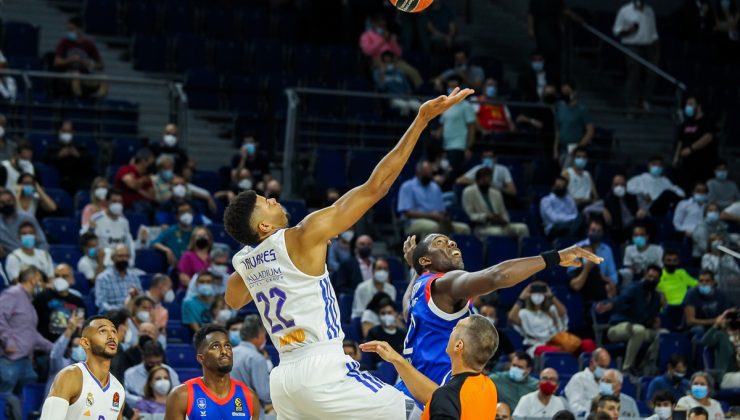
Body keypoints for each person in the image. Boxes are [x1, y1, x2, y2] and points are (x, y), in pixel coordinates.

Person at [221, 89, 477, 419]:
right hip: (322, 368)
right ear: (265, 229)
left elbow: (233, 300)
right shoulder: (302, 235)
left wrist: (254, 261)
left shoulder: (244, 263)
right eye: (264, 204)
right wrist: (421, 120)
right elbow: (376, 187)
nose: (272, 199)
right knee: (418, 409)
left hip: (284, 381)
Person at [397, 229, 600, 413]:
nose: (451, 244)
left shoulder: (419, 289)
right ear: (425, 260)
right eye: (440, 243)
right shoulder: (447, 283)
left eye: (451, 242)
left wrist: (416, 271)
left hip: (406, 394)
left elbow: (406, 308)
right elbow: (498, 276)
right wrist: (556, 256)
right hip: (434, 401)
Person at [359, 314, 498, 419]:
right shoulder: (490, 387)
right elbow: (444, 398)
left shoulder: (448, 395)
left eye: (456, 327)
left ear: (458, 345)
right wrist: (397, 359)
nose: (452, 329)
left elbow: (444, 398)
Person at [165, 324, 260, 419]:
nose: (224, 351)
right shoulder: (181, 396)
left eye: (227, 346)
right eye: (215, 347)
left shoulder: (249, 396)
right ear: (201, 358)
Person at [40, 316, 125, 420]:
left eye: (113, 331)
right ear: (85, 343)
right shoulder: (70, 376)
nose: (111, 336)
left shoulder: (119, 389)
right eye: (102, 331)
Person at [596, 265, 661, 375]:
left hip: (637, 330)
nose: (651, 280)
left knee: (659, 335)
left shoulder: (656, 296)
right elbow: (619, 300)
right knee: (639, 330)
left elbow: (649, 317)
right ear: (645, 275)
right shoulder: (634, 288)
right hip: (617, 328)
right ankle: (626, 368)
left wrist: (654, 322)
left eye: (654, 278)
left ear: (658, 280)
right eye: (649, 276)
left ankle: (644, 367)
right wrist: (608, 306)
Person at [0, 267, 53, 393]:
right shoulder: (13, 293)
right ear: (33, 279)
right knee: (5, 402)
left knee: (22, 403)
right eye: (40, 280)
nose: (43, 285)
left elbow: (30, 333)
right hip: (10, 360)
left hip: (26, 361)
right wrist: (8, 341)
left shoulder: (28, 301)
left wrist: (53, 348)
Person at [397, 159, 471, 238]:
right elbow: (407, 213)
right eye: (426, 173)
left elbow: (441, 210)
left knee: (464, 228)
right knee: (433, 227)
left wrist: (444, 217)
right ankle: (425, 250)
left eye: (430, 173)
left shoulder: (435, 187)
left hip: (437, 221)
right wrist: (431, 216)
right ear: (418, 173)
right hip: (413, 222)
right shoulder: (408, 186)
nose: (429, 175)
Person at [613, 0, 659, 110]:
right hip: (632, 46)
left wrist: (657, 48)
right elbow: (616, 30)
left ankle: (644, 100)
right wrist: (628, 30)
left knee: (652, 74)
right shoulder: (625, 10)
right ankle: (630, 104)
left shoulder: (649, 11)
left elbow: (653, 32)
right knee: (634, 74)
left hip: (649, 46)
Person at [462, 167, 529, 240]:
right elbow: (470, 215)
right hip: (483, 227)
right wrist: (487, 217)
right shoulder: (469, 192)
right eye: (484, 178)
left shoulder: (496, 193)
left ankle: (522, 251)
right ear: (478, 180)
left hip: (500, 224)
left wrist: (504, 220)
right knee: (498, 232)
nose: (487, 180)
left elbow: (503, 212)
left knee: (522, 228)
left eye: (488, 178)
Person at [508, 282, 574, 356]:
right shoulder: (524, 313)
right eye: (534, 291)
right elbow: (511, 317)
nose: (537, 295)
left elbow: (563, 312)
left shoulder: (551, 310)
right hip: (538, 346)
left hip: (558, 342)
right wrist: (521, 298)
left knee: (586, 344)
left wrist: (551, 296)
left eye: (541, 291)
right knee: (555, 350)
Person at [53, 17, 108, 98]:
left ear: (79, 29)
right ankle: (79, 101)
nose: (69, 32)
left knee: (104, 78)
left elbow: (101, 65)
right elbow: (57, 62)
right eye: (68, 29)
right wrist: (71, 59)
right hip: (68, 74)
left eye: (72, 29)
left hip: (85, 75)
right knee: (76, 75)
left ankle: (97, 102)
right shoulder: (64, 42)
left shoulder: (89, 44)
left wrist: (90, 63)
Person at [232, 315, 274, 418]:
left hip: (228, 408)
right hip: (250, 411)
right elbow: (264, 393)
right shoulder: (256, 358)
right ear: (259, 335)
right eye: (264, 335)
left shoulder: (229, 353)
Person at [436, 76, 477, 181]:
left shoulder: (466, 106)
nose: (451, 88)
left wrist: (469, 147)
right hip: (445, 146)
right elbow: (442, 126)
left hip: (458, 146)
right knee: (443, 174)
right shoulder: (445, 105)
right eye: (449, 86)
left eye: (454, 86)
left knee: (452, 175)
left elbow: (471, 127)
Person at [673, 96, 718, 187]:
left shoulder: (707, 121)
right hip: (687, 165)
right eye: (687, 104)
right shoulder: (686, 123)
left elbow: (708, 137)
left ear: (698, 106)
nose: (687, 107)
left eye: (690, 104)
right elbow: (680, 140)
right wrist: (676, 157)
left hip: (703, 164)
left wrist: (691, 149)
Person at [43, 120, 95, 194]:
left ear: (73, 133)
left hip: (77, 181)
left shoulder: (80, 147)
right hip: (58, 179)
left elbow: (90, 161)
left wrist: (78, 155)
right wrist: (58, 155)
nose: (66, 134)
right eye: (64, 131)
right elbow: (45, 159)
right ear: (59, 132)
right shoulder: (52, 147)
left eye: (69, 131)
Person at [33, 271, 86, 342]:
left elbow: (80, 325)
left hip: (70, 344)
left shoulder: (78, 301)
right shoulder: (42, 297)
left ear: (72, 280)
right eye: (57, 276)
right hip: (46, 344)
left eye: (64, 276)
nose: (60, 279)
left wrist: (76, 339)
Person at [123, 340, 180, 405]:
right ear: (143, 357)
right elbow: (124, 394)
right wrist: (142, 401)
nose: (155, 366)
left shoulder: (169, 372)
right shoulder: (130, 374)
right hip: (139, 410)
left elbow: (177, 392)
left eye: (158, 363)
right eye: (151, 363)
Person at [89, 189, 135, 265]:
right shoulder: (96, 219)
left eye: (120, 202)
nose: (117, 204)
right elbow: (90, 248)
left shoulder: (124, 222)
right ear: (107, 202)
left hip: (121, 262)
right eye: (114, 201)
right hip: (102, 262)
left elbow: (128, 244)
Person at [564, 348, 612, 416]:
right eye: (601, 366)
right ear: (592, 363)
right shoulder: (578, 378)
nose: (604, 370)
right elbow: (574, 406)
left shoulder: (606, 382)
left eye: (606, 367)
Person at [95, 244, 142, 312]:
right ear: (112, 258)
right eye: (120, 256)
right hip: (114, 316)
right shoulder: (103, 278)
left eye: (126, 256)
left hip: (133, 314)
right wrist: (122, 310)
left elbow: (141, 299)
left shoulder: (134, 277)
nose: (124, 259)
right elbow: (101, 304)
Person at [603, 174, 648, 245]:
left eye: (622, 185)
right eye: (616, 185)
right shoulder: (608, 198)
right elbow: (589, 208)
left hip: (634, 223)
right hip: (619, 228)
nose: (619, 187)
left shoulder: (632, 196)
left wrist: (643, 210)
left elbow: (644, 206)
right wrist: (603, 210)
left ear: (626, 186)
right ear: (612, 186)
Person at [554, 83, 594, 164]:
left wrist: (578, 148)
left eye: (567, 91)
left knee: (565, 173)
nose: (565, 94)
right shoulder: (560, 108)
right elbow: (558, 130)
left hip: (575, 148)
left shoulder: (582, 110)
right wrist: (555, 149)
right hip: (562, 148)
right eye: (563, 92)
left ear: (574, 92)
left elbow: (590, 131)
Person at [0, 189, 49, 254]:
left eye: (9, 201)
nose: (6, 204)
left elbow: (42, 243)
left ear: (14, 202)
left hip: (35, 256)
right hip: (13, 260)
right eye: (2, 203)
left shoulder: (28, 217)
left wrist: (41, 257)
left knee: (63, 264)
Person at [374, 50, 421, 117]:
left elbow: (408, 88)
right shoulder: (377, 73)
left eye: (390, 62)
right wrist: (382, 74)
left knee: (419, 106)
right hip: (392, 99)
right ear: (382, 62)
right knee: (405, 106)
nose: (388, 64)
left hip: (405, 98)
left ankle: (419, 126)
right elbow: (381, 87)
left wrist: (407, 94)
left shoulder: (400, 73)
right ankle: (403, 124)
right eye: (386, 62)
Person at [701, 309, 740, 389]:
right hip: (726, 376)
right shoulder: (721, 336)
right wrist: (716, 324)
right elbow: (704, 341)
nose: (735, 321)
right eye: (731, 318)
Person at [684, 270, 729, 339]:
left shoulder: (721, 295)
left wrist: (719, 323)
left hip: (717, 325)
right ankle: (701, 349)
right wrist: (714, 321)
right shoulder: (691, 294)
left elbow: (726, 315)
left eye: (707, 281)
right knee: (699, 329)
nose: (704, 283)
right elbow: (690, 321)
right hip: (696, 328)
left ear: (713, 282)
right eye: (701, 281)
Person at [574, 219, 619, 285]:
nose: (596, 233)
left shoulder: (607, 249)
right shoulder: (578, 248)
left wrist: (607, 280)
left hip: (601, 285)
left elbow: (613, 276)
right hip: (583, 284)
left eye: (598, 231)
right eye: (593, 230)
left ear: (602, 232)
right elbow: (572, 273)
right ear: (588, 231)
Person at [152, 202, 195, 268]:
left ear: (192, 213)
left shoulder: (198, 231)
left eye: (188, 211)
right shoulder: (171, 231)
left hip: (194, 266)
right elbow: (154, 243)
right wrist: (167, 250)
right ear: (177, 216)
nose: (187, 214)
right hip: (177, 267)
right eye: (182, 212)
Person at [114, 148, 155, 212]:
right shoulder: (126, 169)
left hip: (145, 205)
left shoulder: (146, 175)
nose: (152, 164)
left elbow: (152, 196)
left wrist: (138, 188)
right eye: (151, 161)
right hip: (127, 206)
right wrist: (143, 180)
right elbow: (133, 185)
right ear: (143, 161)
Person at [365, 302, 406, 368]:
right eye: (383, 313)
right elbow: (372, 355)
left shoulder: (402, 333)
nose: (386, 316)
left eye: (389, 313)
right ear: (379, 316)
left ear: (395, 314)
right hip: (381, 367)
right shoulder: (374, 333)